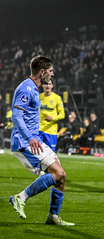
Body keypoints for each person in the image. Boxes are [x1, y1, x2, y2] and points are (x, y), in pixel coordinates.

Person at [9, 55, 74, 226]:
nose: (52, 75)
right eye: (51, 72)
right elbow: (16, 116)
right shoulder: (27, 89)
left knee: (61, 176)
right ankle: (20, 197)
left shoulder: (34, 89)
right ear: (42, 71)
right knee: (58, 173)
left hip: (35, 139)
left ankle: (53, 216)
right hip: (25, 142)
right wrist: (30, 138)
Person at [39, 78, 65, 152]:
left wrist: (53, 118)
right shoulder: (38, 97)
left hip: (51, 131)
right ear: (42, 85)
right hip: (39, 130)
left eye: (49, 84)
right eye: (45, 84)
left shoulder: (57, 98)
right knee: (37, 155)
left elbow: (62, 115)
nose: (47, 86)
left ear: (52, 86)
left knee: (50, 156)